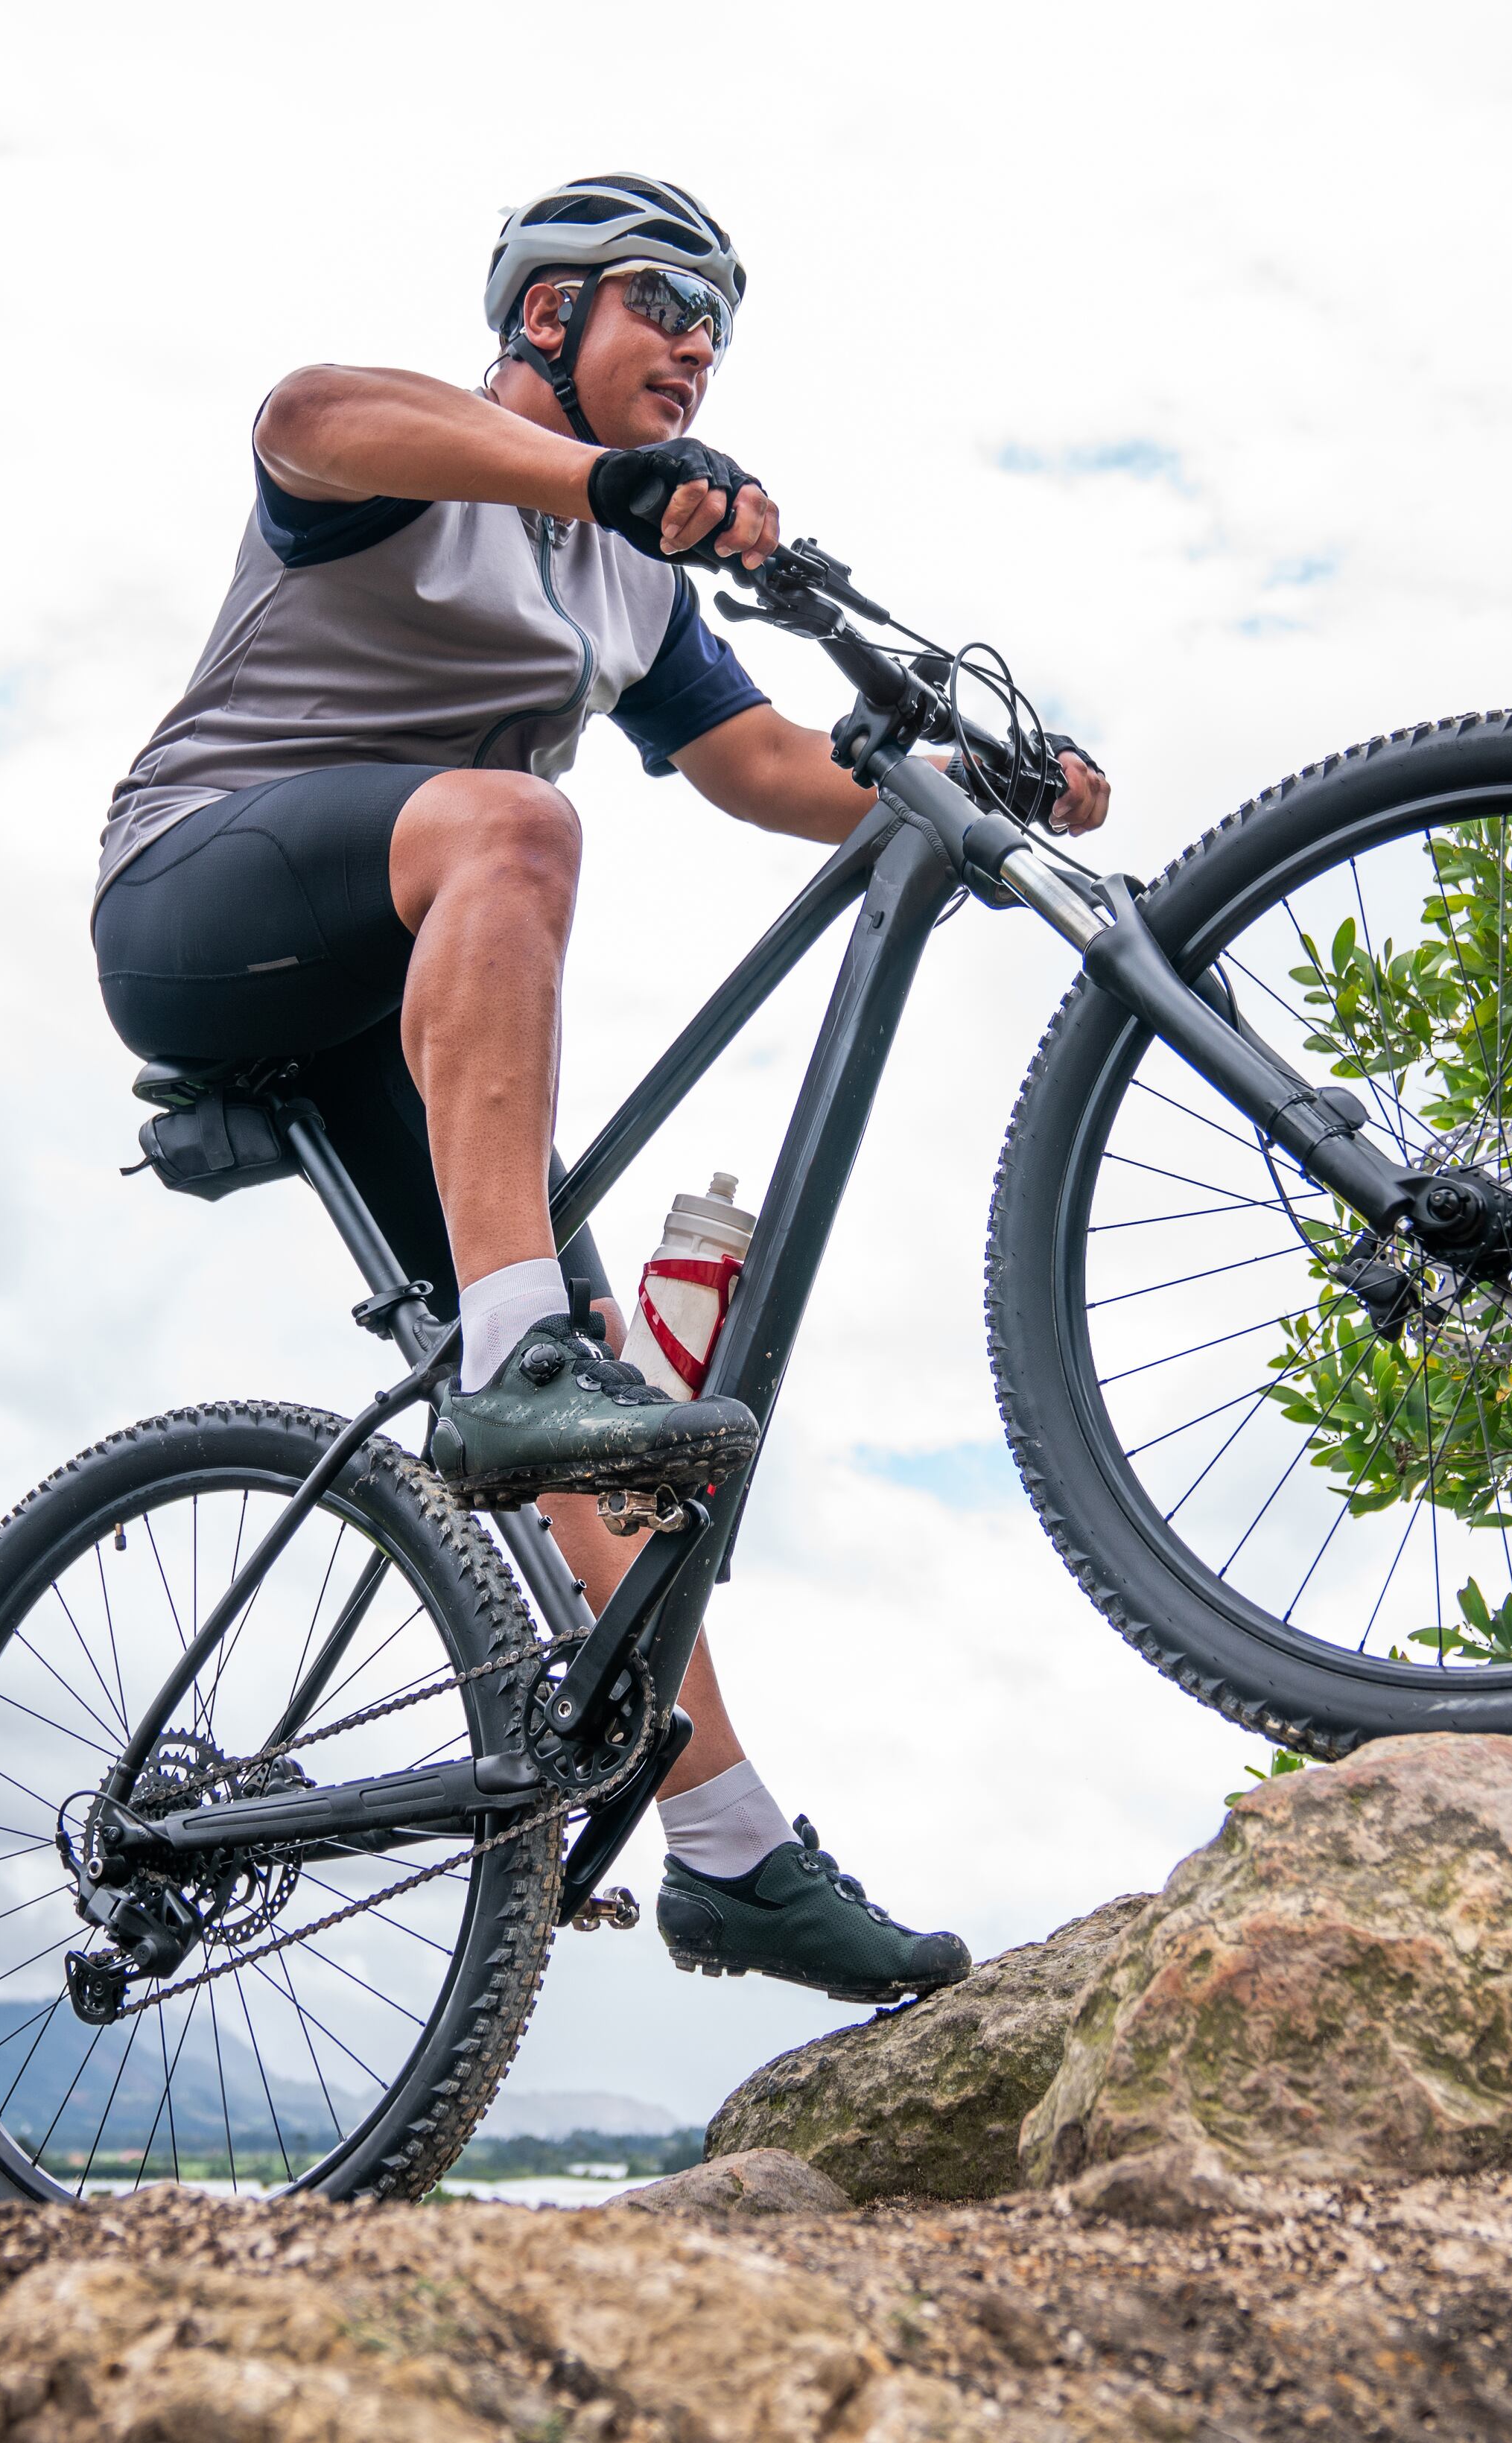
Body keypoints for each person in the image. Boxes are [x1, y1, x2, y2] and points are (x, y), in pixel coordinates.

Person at [92, 174, 1111, 2005]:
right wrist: (594, 479)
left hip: (401, 983)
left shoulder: (629, 575)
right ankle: (506, 1362)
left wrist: (983, 784)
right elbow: (304, 420)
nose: (701, 343)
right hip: (196, 900)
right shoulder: (435, 459)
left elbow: (762, 764)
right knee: (516, 819)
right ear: (547, 320)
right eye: (664, 301)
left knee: (614, 1417)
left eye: (720, 322)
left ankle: (734, 1856)